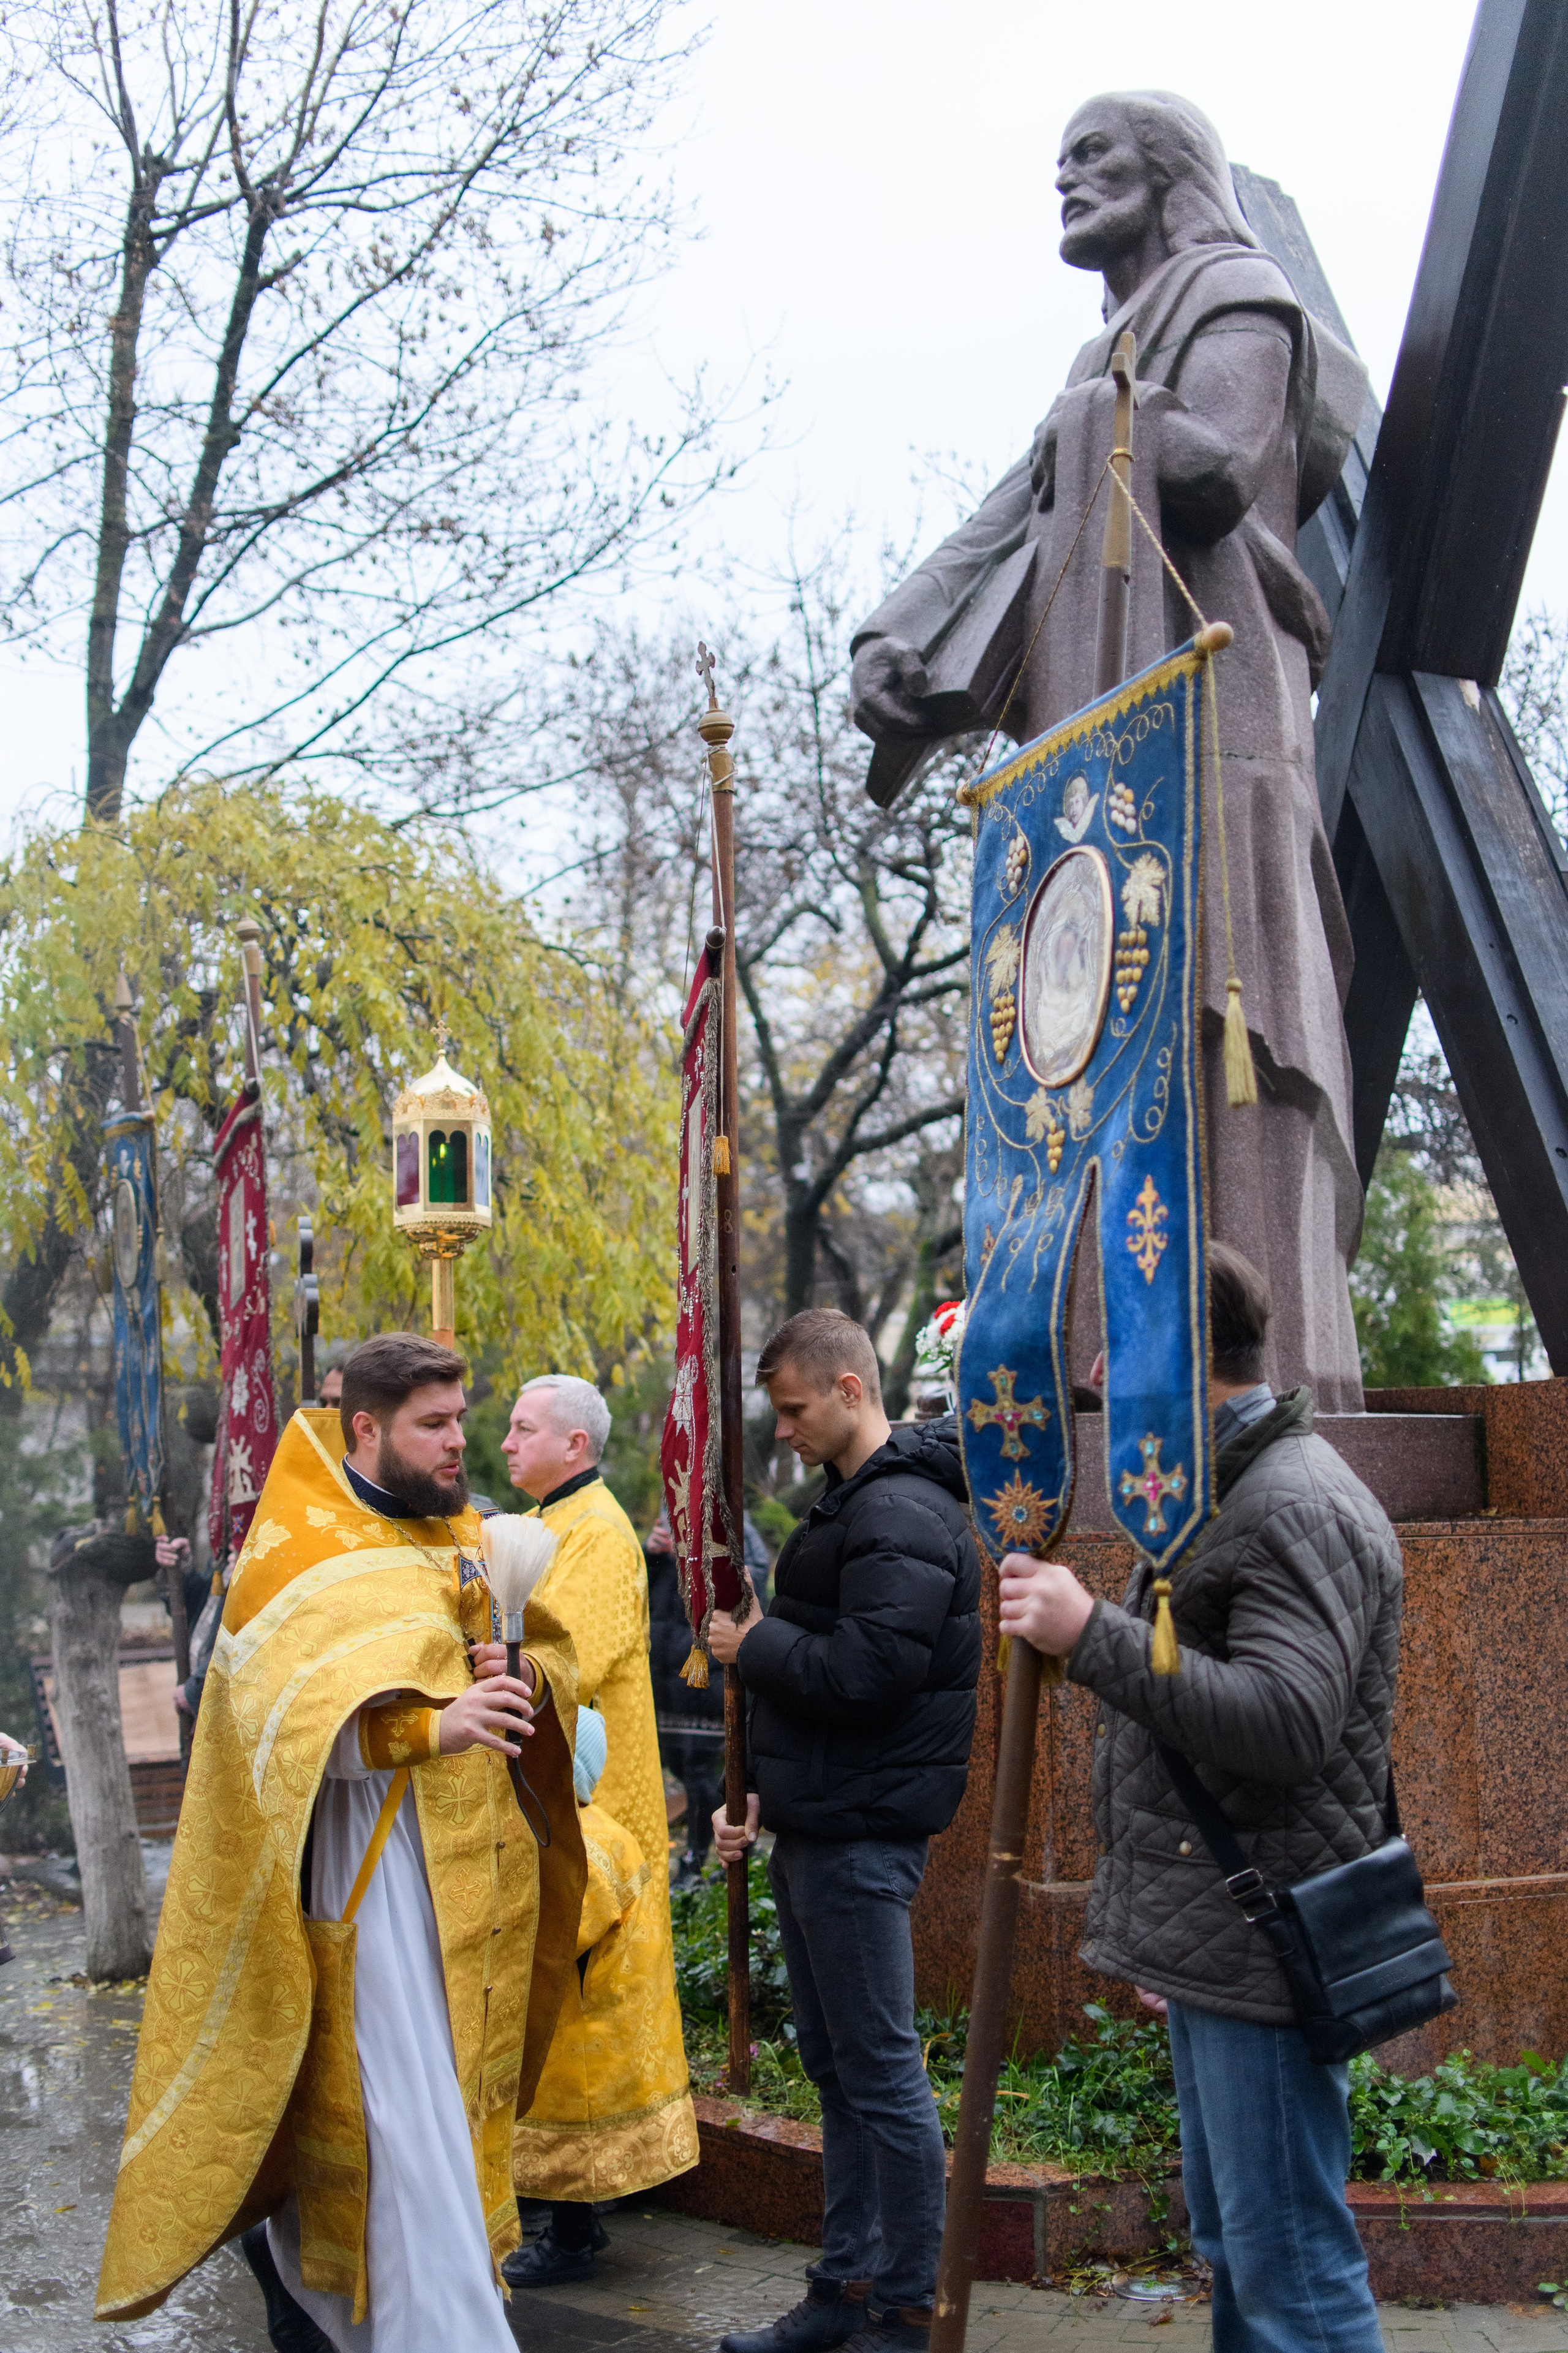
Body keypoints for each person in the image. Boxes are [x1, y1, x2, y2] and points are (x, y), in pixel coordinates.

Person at [851, 93, 1371, 1411]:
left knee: (1227, 1006)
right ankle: (1107, 1351)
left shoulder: (1240, 296)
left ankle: (1249, 1362)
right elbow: (1007, 513)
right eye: (1060, 162)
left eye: (1093, 156)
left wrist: (1107, 419)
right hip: (1102, 747)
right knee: (1095, 1024)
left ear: (1168, 169)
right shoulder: (1104, 357)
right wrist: (897, 633)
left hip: (1218, 714)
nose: (1067, 181)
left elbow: (1218, 470)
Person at [97, 1333, 586, 2353]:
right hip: (376, 1888)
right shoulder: (297, 1550)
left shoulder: (462, 1528)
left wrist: (526, 1676)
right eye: (433, 1424)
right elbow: (273, 1737)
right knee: (405, 2142)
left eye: (460, 1419)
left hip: (473, 1910)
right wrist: (431, 1728)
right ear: (367, 1427)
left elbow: (553, 1652)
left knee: (443, 2139)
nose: (458, 1442)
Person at [997, 1242, 1401, 2353]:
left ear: (1175, 1352)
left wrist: (1090, 1632)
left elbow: (1287, 1721)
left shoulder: (1289, 1501)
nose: (1095, 1370)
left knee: (1292, 2277)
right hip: (1232, 1933)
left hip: (1262, 1943)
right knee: (1245, 2249)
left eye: (1114, 1342)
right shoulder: (1229, 1488)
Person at [709, 1309, 981, 2353]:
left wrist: (754, 1643)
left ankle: (906, 2307)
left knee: (880, 2072)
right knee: (840, 2067)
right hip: (825, 1821)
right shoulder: (855, 1501)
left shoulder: (899, 1510)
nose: (782, 1430)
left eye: (793, 1409)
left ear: (851, 1390)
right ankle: (847, 2283)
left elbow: (867, 1674)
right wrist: (761, 1798)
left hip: (863, 1832)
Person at [500, 1375, 698, 2283]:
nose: (506, 1443)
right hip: (553, 1802)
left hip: (597, 1808)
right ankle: (549, 2208)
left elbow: (563, 1655)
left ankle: (575, 2228)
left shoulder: (601, 1532)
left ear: (574, 1445)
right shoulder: (545, 1522)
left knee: (579, 2006)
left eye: (522, 1428)